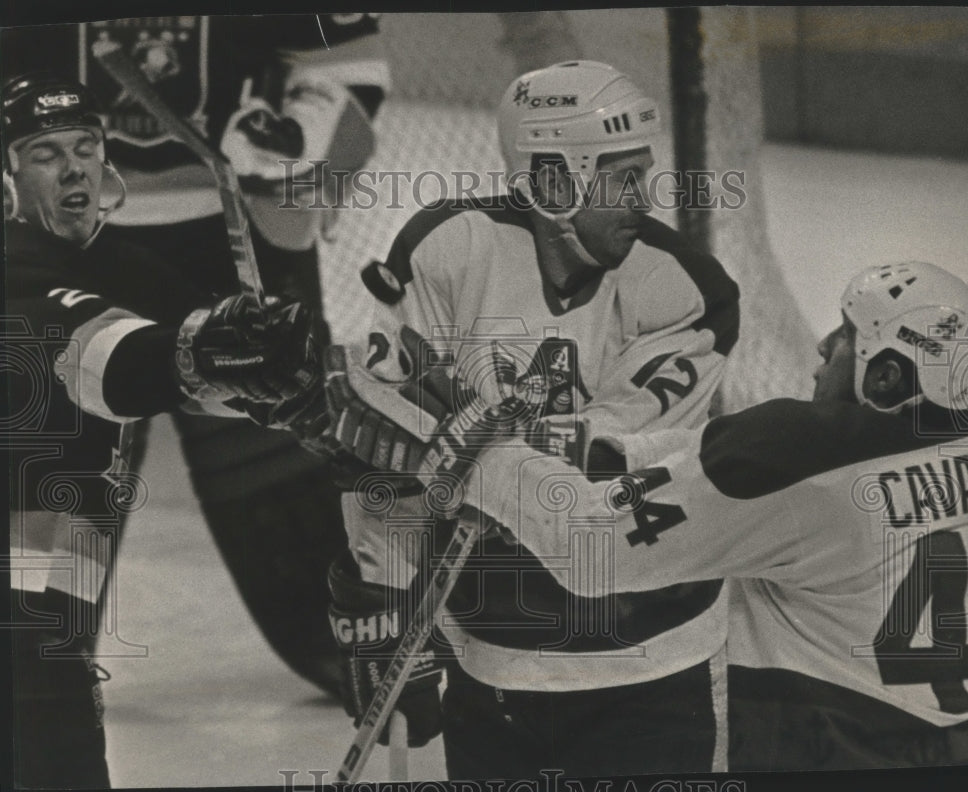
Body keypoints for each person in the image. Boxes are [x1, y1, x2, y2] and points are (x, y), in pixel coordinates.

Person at [321, 60, 741, 777]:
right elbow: (387, 447)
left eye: (645, 171)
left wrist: (457, 440)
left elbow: (601, 471)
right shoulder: (448, 253)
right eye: (620, 177)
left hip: (648, 657)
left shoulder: (683, 289)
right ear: (550, 183)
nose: (645, 197)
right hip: (491, 654)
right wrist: (382, 597)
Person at [455, 260, 968, 770]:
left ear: (883, 377)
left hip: (835, 751)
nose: (824, 344)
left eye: (846, 337)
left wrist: (478, 453)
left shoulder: (802, 455)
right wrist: (614, 457)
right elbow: (727, 460)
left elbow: (591, 547)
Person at [1, 13, 390, 696]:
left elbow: (352, 63)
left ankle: (361, 642)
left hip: (235, 229)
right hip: (46, 239)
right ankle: (35, 668)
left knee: (289, 478)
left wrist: (301, 143)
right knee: (50, 486)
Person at [3, 72, 319, 789]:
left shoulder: (109, 263)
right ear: (7, 176)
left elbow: (198, 359)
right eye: (46, 153)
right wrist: (200, 352)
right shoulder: (14, 269)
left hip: (46, 621)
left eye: (86, 145)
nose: (76, 165)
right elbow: (107, 354)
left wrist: (268, 370)